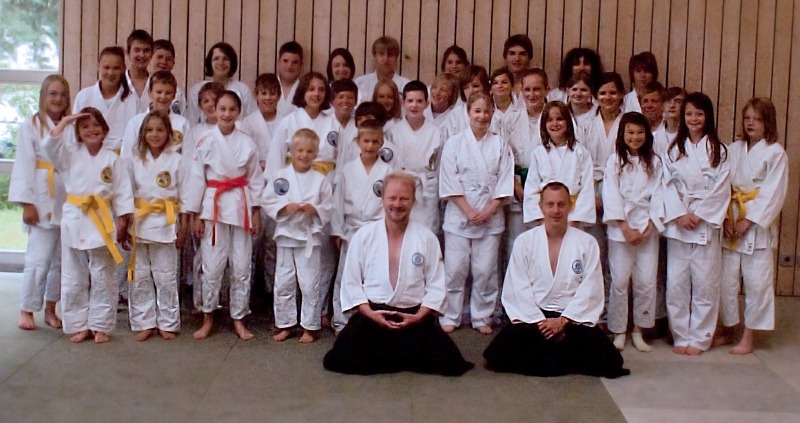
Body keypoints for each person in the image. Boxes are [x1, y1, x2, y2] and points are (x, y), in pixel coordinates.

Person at [323, 172, 474, 376]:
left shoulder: (426, 238)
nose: (397, 204)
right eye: (392, 198)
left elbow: (436, 284)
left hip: (413, 317)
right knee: (339, 360)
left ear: (413, 201)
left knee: (451, 365)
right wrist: (369, 313)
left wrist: (419, 316)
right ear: (382, 199)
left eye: (404, 198)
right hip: (374, 316)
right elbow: (351, 282)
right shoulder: (364, 236)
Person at [483, 182, 629, 378]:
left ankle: (552, 355)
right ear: (541, 207)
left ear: (570, 206)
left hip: (571, 320)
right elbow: (517, 287)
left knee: (612, 363)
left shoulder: (587, 243)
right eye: (550, 204)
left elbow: (591, 288)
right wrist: (541, 322)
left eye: (561, 204)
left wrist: (563, 321)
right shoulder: (525, 242)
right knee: (496, 355)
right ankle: (564, 357)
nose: (556, 210)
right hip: (535, 320)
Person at [43, 108, 135, 343]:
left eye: (96, 125)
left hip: (102, 220)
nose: (91, 130)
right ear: (78, 132)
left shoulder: (113, 159)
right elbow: (49, 147)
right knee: (73, 276)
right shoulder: (69, 155)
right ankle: (78, 324)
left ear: (105, 130)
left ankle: (100, 325)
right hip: (75, 218)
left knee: (103, 275)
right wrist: (65, 122)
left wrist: (123, 219)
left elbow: (123, 191)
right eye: (85, 126)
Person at [185, 91, 265, 341]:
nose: (227, 114)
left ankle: (239, 318)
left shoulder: (247, 142)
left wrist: (256, 211)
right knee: (211, 266)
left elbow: (255, 178)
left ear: (239, 112)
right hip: (213, 205)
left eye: (232, 109)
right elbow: (196, 178)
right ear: (214, 110)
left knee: (241, 266)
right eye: (222, 109)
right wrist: (196, 214)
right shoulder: (205, 141)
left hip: (241, 204)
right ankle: (208, 316)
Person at [438, 91, 514, 334]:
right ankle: (451, 314)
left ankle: (482, 316)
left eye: (486, 111)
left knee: (485, 270)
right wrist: (469, 211)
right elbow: (449, 180)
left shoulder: (501, 144)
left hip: (490, 215)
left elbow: (505, 181)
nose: (482, 116)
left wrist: (489, 210)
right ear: (468, 112)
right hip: (460, 214)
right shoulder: (454, 143)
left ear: (493, 113)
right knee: (455, 269)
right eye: (477, 111)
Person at [718, 98, 788, 355]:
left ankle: (748, 337)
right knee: (726, 281)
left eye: (757, 119)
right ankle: (728, 329)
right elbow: (721, 184)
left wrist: (749, 220)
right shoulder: (733, 149)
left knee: (757, 283)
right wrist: (725, 217)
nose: (751, 123)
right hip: (731, 218)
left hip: (757, 226)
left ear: (768, 122)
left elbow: (774, 192)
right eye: (747, 118)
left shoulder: (775, 153)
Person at [662, 92, 730, 355]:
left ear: (708, 117)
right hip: (679, 221)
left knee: (705, 282)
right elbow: (666, 185)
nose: (693, 119)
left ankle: (701, 338)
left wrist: (700, 214)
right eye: (689, 114)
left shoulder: (719, 150)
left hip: (705, 222)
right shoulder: (674, 149)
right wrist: (680, 213)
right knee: (676, 283)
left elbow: (722, 188)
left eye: (699, 114)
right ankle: (681, 335)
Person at [10, 75, 70, 331]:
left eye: (62, 94)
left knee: (60, 261)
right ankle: (27, 309)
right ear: (43, 96)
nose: (58, 99)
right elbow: (23, 164)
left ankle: (50, 308)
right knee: (38, 259)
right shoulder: (31, 125)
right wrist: (27, 203)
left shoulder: (70, 125)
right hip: (41, 197)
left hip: (67, 198)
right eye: (52, 93)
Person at [263, 129, 334, 343]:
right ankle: (285, 324)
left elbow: (329, 206)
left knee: (309, 281)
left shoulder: (320, 180)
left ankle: (310, 326)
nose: (304, 155)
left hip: (309, 237)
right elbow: (267, 200)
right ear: (291, 151)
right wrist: (284, 207)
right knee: (284, 281)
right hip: (286, 235)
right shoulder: (280, 177)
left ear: (316, 153)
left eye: (309, 151)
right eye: (300, 150)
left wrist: (316, 209)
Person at [124, 111, 188, 341]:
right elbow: (125, 192)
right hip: (139, 221)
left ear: (169, 133)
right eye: (149, 130)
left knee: (166, 275)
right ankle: (144, 322)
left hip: (166, 222)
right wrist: (124, 222)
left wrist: (184, 225)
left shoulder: (177, 160)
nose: (155, 134)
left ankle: (168, 322)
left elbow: (186, 194)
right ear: (142, 133)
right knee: (139, 275)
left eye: (160, 130)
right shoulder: (133, 159)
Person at [602, 112, 664, 352]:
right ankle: (619, 330)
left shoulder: (655, 162)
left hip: (647, 228)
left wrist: (649, 226)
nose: (635, 137)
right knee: (619, 280)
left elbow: (659, 194)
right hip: (622, 229)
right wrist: (625, 227)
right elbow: (611, 195)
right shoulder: (614, 161)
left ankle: (639, 329)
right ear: (622, 134)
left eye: (640, 132)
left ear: (647, 135)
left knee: (646, 280)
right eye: (630, 132)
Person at [330, 120, 393, 334]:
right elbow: (338, 203)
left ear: (382, 143)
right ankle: (341, 321)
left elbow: (389, 204)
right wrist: (337, 231)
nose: (370, 146)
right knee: (346, 275)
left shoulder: (387, 171)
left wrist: (388, 231)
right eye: (366, 141)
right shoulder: (348, 169)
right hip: (351, 229)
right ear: (358, 142)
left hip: (377, 229)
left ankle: (372, 320)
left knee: (374, 276)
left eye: (375, 141)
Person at [386, 81, 445, 234]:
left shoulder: (436, 132)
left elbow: (440, 165)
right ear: (403, 103)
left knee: (426, 233)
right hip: (401, 187)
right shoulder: (393, 132)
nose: (414, 105)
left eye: (419, 101)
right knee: (401, 231)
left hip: (427, 189)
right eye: (410, 101)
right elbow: (389, 166)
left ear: (427, 103)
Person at [523, 101, 595, 226]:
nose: (555, 123)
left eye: (560, 119)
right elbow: (531, 189)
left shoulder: (580, 152)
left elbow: (587, 189)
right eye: (550, 120)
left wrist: (575, 220)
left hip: (573, 215)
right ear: (544, 124)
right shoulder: (538, 153)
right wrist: (542, 220)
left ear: (568, 122)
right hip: (546, 216)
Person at [267, 72, 337, 178]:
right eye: (311, 89)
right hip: (293, 179)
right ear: (303, 91)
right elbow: (276, 157)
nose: (316, 94)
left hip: (326, 180)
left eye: (321, 90)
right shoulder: (288, 121)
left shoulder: (333, 124)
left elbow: (342, 158)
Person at [72, 46, 138, 154]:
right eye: (106, 67)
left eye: (116, 68)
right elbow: (75, 132)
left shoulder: (132, 99)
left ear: (123, 68)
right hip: (89, 156)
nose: (110, 73)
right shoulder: (84, 96)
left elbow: (136, 136)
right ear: (98, 66)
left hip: (122, 158)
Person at [121, 71, 191, 158]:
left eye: (168, 93)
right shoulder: (135, 123)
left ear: (174, 96)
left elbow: (190, 158)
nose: (163, 96)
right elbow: (126, 157)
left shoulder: (182, 124)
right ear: (150, 93)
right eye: (159, 92)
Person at [186, 42, 256, 124]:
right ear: (210, 63)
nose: (221, 63)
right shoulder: (197, 90)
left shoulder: (243, 89)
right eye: (216, 59)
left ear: (232, 62)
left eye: (225, 59)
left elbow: (252, 120)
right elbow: (192, 121)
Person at [241, 73, 286, 169]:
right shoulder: (247, 123)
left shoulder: (287, 122)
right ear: (256, 95)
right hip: (256, 173)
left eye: (272, 93)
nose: (268, 98)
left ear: (279, 96)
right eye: (264, 93)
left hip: (282, 172)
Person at [354, 36, 410, 102]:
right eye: (381, 54)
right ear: (375, 56)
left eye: (390, 55)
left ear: (396, 58)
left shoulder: (406, 86)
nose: (386, 59)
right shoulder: (360, 83)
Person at [148, 39, 187, 115]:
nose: (163, 62)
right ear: (150, 59)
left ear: (173, 63)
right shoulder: (142, 88)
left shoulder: (178, 94)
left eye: (169, 59)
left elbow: (182, 117)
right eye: (159, 57)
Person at [124, 29, 154, 114]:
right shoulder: (119, 83)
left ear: (152, 54)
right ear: (128, 53)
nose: (142, 55)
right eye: (137, 50)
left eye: (146, 50)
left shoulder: (156, 84)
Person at [277, 41, 304, 112]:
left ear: (301, 66)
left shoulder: (305, 90)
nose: (289, 66)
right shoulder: (267, 87)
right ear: (278, 63)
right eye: (285, 61)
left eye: (295, 62)